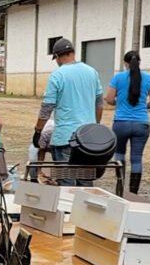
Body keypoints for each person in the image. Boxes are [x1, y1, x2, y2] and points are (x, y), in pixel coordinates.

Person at [32, 37, 103, 186]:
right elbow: (99, 104)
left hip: (65, 138)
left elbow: (47, 107)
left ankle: (67, 210)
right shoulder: (92, 72)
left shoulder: (58, 75)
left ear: (57, 56)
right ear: (73, 53)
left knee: (66, 183)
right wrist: (95, 125)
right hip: (87, 139)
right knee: (85, 183)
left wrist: (38, 131)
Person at [104, 50, 150, 194]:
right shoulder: (149, 78)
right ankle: (133, 193)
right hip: (141, 123)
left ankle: (120, 189)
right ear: (139, 62)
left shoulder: (118, 78)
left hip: (121, 123)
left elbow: (109, 99)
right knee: (136, 158)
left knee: (120, 155)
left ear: (125, 63)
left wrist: (120, 104)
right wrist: (144, 106)